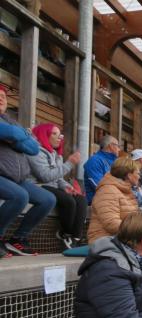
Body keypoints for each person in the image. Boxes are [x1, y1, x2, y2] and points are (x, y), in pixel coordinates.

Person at [0, 85, 56, 257]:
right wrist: (21, 135)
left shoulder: (12, 121)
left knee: (48, 199)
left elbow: (33, 148)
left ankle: (18, 239)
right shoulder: (12, 126)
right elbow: (12, 133)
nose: (1, 98)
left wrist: (15, 138)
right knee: (19, 196)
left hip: (18, 178)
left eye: (4, 96)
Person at [29, 123, 86, 249]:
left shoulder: (55, 154)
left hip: (52, 186)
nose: (59, 137)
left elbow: (58, 178)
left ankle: (75, 238)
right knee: (68, 201)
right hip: (39, 186)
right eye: (54, 133)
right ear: (44, 134)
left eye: (59, 134)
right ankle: (65, 234)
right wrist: (69, 163)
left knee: (80, 199)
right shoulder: (35, 151)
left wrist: (67, 187)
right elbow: (45, 176)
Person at [87, 156, 139, 244]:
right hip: (104, 240)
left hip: (121, 239)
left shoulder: (125, 191)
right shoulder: (107, 190)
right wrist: (139, 231)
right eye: (137, 173)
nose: (139, 177)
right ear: (129, 176)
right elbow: (111, 223)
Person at [83, 134, 119, 204]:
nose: (119, 149)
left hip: (112, 200)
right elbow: (99, 186)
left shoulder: (115, 162)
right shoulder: (95, 161)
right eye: (118, 146)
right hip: (97, 201)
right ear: (111, 146)